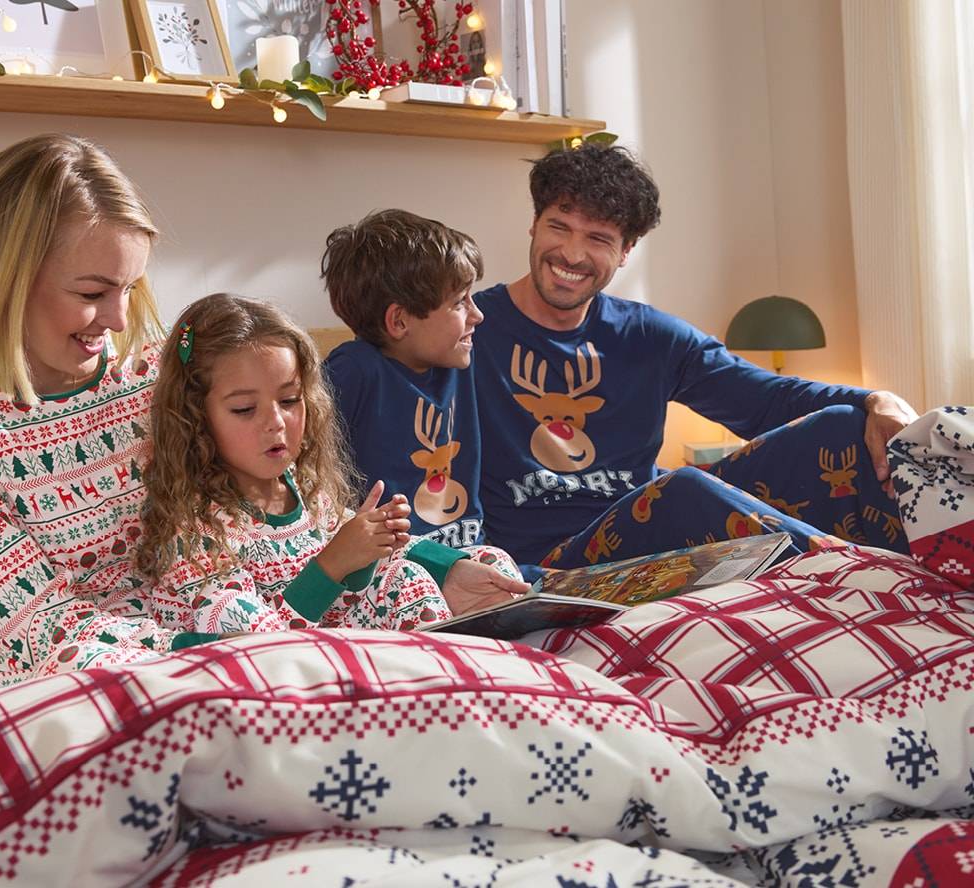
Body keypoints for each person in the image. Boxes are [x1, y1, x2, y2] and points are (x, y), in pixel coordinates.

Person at [470, 142, 918, 569]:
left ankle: (920, 573)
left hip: (653, 540)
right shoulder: (468, 329)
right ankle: (851, 570)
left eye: (598, 239)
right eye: (559, 226)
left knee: (843, 426)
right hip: (548, 561)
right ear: (534, 223)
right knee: (684, 487)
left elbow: (770, 400)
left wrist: (875, 400)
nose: (571, 252)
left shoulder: (651, 336)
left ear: (626, 252)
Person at [0, 133, 190, 688]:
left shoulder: (160, 367)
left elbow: (251, 525)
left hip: (223, 624)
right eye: (93, 293)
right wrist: (206, 656)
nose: (119, 319)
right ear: (3, 277)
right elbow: (43, 623)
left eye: (130, 287)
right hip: (81, 670)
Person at [134, 294, 527, 636]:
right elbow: (256, 649)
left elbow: (350, 548)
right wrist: (333, 563)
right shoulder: (193, 527)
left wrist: (399, 545)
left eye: (289, 400)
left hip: (344, 641)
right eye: (244, 409)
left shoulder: (302, 488)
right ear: (196, 418)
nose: (276, 422)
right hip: (286, 672)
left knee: (490, 564)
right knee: (403, 583)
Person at [322, 209, 488, 551]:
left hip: (473, 553)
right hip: (397, 569)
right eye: (459, 302)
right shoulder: (353, 372)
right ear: (399, 321)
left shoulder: (458, 360)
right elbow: (315, 491)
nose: (477, 314)